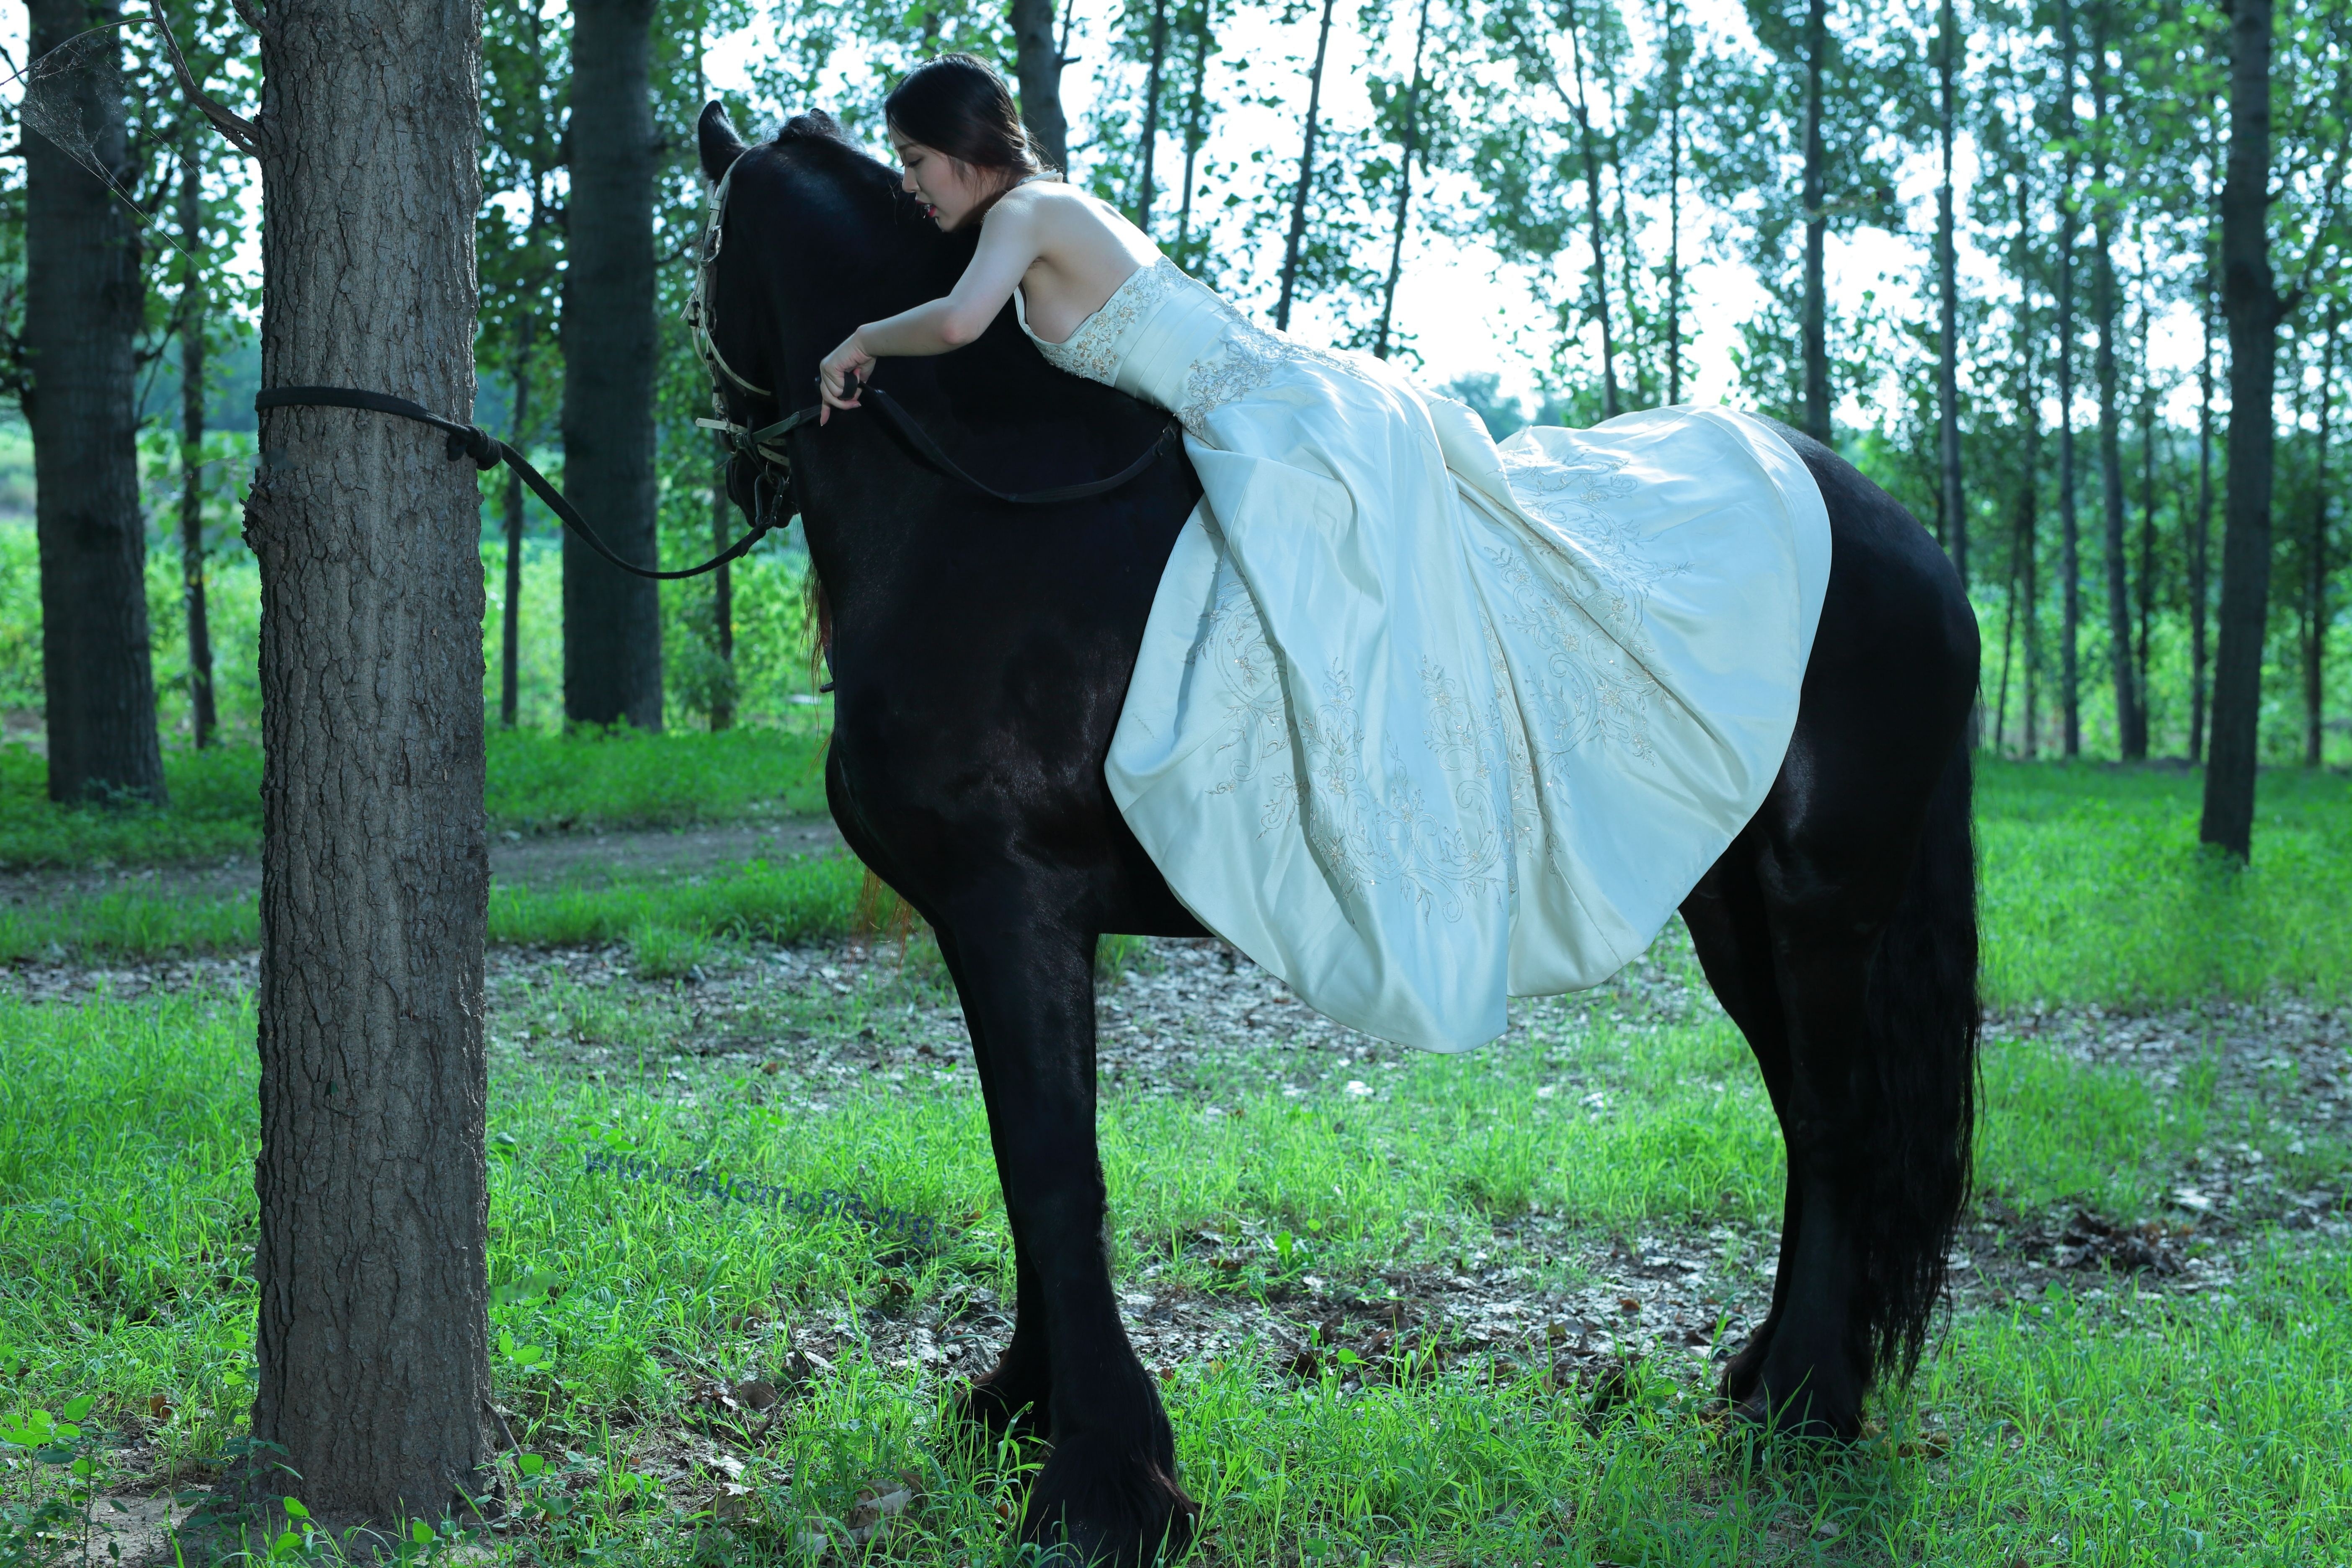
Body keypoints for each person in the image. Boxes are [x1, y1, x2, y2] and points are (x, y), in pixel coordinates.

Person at [821, 53, 1833, 1052]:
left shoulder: (1022, 215)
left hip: (1273, 416)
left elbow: (958, 323)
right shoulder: (1057, 207)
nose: (909, 185)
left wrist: (858, 338)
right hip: (1278, 396)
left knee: (1335, 624)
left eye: (915, 159)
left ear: (965, 148)